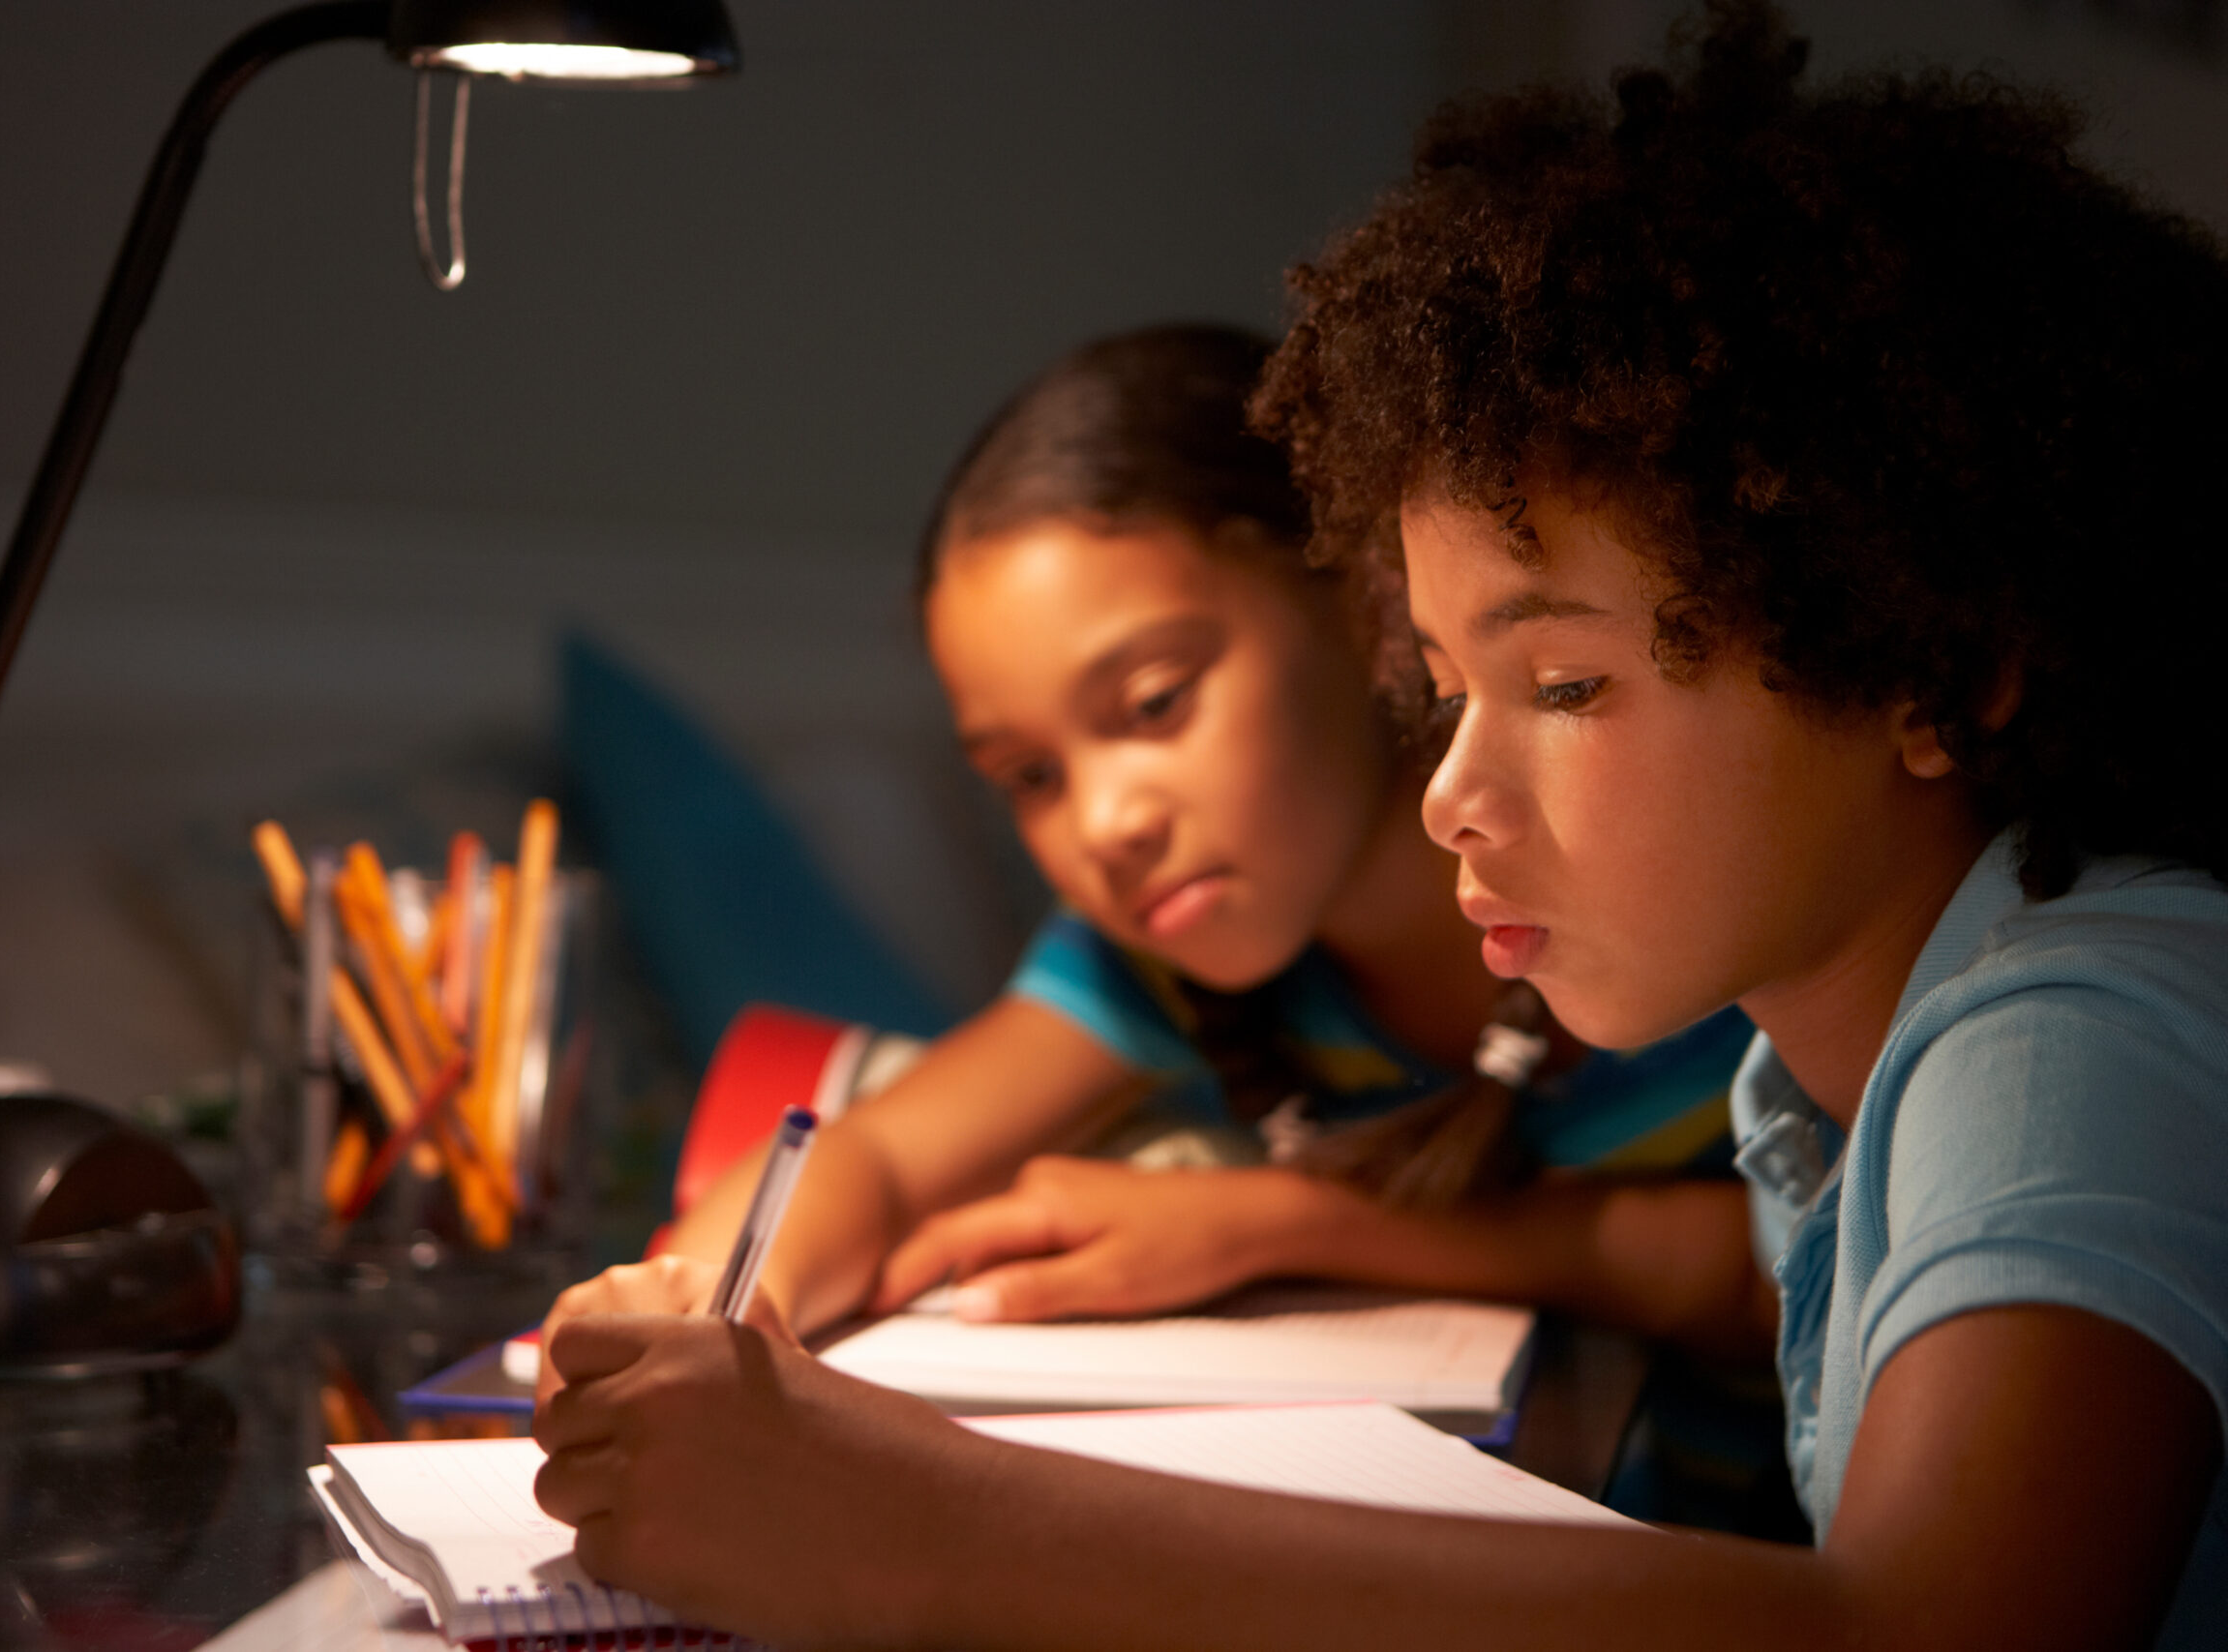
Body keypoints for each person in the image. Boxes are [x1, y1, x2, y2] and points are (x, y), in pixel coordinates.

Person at [530, 10, 2228, 1639]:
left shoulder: (2069, 1023)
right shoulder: (1826, 1073)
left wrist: (911, 1519)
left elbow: (1931, 1633)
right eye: (1447, 683)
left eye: (1565, 686)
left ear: (1929, 658)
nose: (1448, 792)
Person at [550, 321, 1761, 1367]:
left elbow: (1791, 1268)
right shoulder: (1161, 966)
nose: (1107, 825)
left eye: (1153, 706)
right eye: (1030, 777)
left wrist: (1292, 1220)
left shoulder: (1664, 880)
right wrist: (693, 1308)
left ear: (1364, 601)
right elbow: (876, 1162)